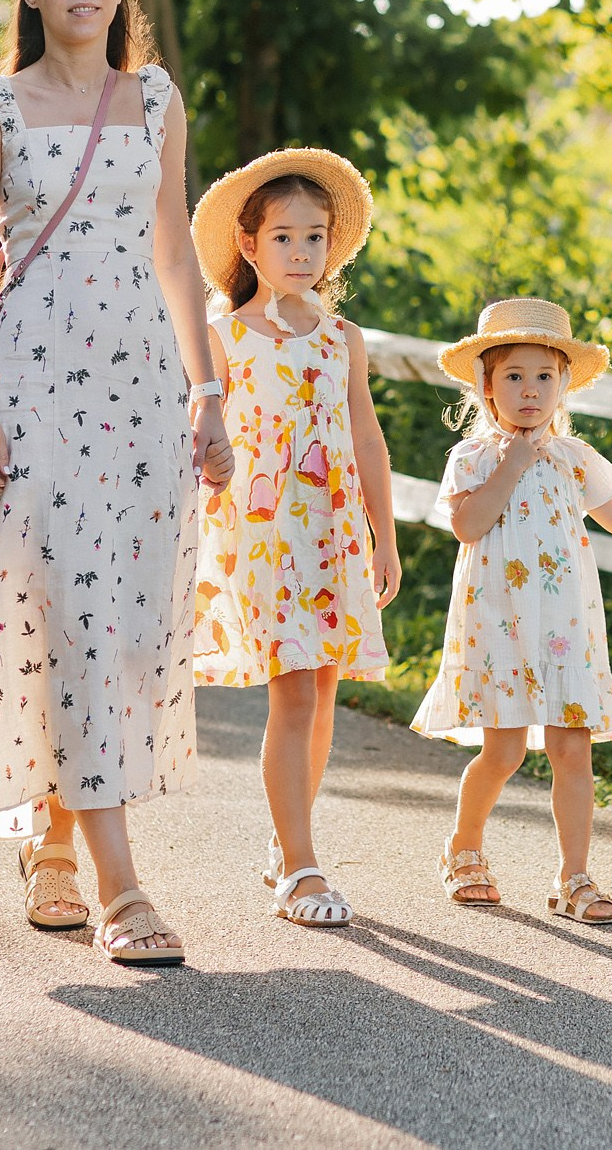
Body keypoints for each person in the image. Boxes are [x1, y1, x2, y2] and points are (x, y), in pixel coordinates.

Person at [0, 0, 233, 968]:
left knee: (130, 620)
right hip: (33, 392)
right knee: (66, 611)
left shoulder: (152, 98)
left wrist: (209, 394)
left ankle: (50, 841)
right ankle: (123, 887)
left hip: (144, 385)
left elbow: (176, 252)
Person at [189, 149, 401, 928]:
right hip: (265, 531)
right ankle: (302, 867)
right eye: (283, 237)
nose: (301, 253)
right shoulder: (223, 334)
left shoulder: (343, 336)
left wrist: (384, 536)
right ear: (250, 246)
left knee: (322, 692)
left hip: (333, 529)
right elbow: (203, 428)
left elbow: (365, 433)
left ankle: (288, 844)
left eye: (315, 237)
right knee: (290, 689)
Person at [412, 299, 612, 924]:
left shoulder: (573, 457)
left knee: (571, 748)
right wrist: (510, 465)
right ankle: (464, 849)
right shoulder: (473, 457)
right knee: (502, 753)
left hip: (564, 628)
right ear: (486, 385)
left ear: (562, 386)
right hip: (498, 625)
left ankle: (574, 877)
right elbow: (468, 525)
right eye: (513, 377)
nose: (530, 391)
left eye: (544, 377)